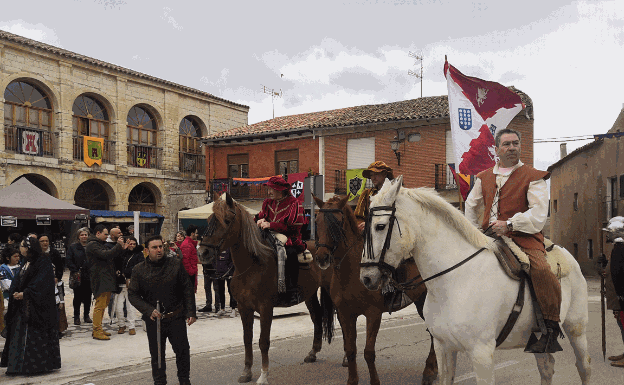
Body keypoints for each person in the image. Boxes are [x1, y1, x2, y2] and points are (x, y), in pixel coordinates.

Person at [465, 128, 562, 354]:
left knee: (541, 269)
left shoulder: (533, 176)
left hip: (523, 237)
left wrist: (509, 224)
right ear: (497, 149)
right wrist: (471, 232)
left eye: (515, 143)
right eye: (507, 144)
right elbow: (471, 206)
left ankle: (550, 328)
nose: (512, 148)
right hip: (489, 236)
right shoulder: (484, 177)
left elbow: (539, 213)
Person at [129, 235, 196, 385]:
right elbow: (132, 294)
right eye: (154, 247)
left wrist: (191, 312)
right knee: (157, 355)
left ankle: (184, 381)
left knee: (182, 352)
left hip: (176, 317)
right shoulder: (139, 270)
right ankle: (159, 382)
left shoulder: (176, 264)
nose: (159, 250)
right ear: (147, 250)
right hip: (154, 320)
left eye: (160, 246)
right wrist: (148, 309)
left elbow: (187, 288)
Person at [0, 236, 61, 374]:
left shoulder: (43, 261)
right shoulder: (25, 262)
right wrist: (15, 292)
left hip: (36, 309)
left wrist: (26, 293)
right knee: (18, 336)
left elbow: (43, 284)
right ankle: (16, 366)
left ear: (28, 248)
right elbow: (19, 279)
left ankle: (33, 367)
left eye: (22, 245)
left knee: (33, 338)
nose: (19, 248)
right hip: (22, 307)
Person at [255, 175, 309, 302]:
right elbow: (260, 216)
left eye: (271, 189)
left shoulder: (294, 203)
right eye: (269, 189)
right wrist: (259, 219)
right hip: (269, 236)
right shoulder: (267, 202)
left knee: (290, 253)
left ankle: (292, 290)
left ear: (280, 190)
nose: (269, 192)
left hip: (290, 237)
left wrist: (271, 224)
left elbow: (294, 227)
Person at [86, 224, 127, 340]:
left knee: (103, 304)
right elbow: (106, 255)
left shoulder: (98, 244)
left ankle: (98, 328)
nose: (107, 236)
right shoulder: (93, 245)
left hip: (105, 279)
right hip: (100, 279)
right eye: (105, 234)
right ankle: (97, 330)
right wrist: (118, 245)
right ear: (98, 233)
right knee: (100, 305)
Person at [599, 236, 624, 368]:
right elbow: (613, 270)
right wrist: (605, 265)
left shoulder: (621, 248)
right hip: (616, 294)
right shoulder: (617, 248)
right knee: (621, 324)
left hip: (621, 294)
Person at [39, 234, 67, 337]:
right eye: (42, 241)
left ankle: (58, 330)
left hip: (55, 283)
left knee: (58, 307)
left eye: (46, 241)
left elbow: (60, 267)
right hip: (42, 285)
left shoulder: (54, 253)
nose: (45, 243)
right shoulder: (37, 254)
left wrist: (57, 277)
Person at [354, 161, 395, 233]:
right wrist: (364, 225)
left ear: (384, 174)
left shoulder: (395, 193)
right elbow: (359, 217)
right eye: (371, 175)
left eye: (376, 174)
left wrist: (371, 224)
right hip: (372, 236)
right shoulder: (366, 194)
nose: (373, 178)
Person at [114, 237, 144, 336]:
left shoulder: (139, 254)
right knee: (118, 307)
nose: (131, 246)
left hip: (132, 284)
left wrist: (125, 273)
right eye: (129, 244)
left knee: (130, 307)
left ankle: (131, 326)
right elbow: (116, 263)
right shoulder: (122, 253)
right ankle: (121, 325)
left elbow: (139, 266)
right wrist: (123, 249)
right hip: (120, 284)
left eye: (133, 244)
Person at [66, 227, 93, 325]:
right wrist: (75, 270)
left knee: (88, 296)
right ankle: (76, 316)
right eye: (82, 235)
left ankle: (86, 315)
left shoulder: (91, 246)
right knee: (77, 297)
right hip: (77, 276)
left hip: (89, 275)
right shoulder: (73, 247)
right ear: (78, 236)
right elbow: (69, 260)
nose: (84, 236)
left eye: (86, 234)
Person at [215, 248, 237, 317]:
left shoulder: (229, 248)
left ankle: (233, 308)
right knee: (220, 291)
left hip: (229, 273)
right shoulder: (217, 249)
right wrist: (217, 269)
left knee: (231, 291)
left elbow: (232, 261)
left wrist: (229, 271)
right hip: (220, 273)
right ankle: (222, 308)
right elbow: (214, 260)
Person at [180, 225, 199, 294]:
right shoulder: (187, 244)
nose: (197, 235)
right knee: (189, 295)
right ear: (192, 233)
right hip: (189, 275)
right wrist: (192, 272)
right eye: (196, 233)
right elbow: (185, 261)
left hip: (191, 273)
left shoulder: (190, 244)